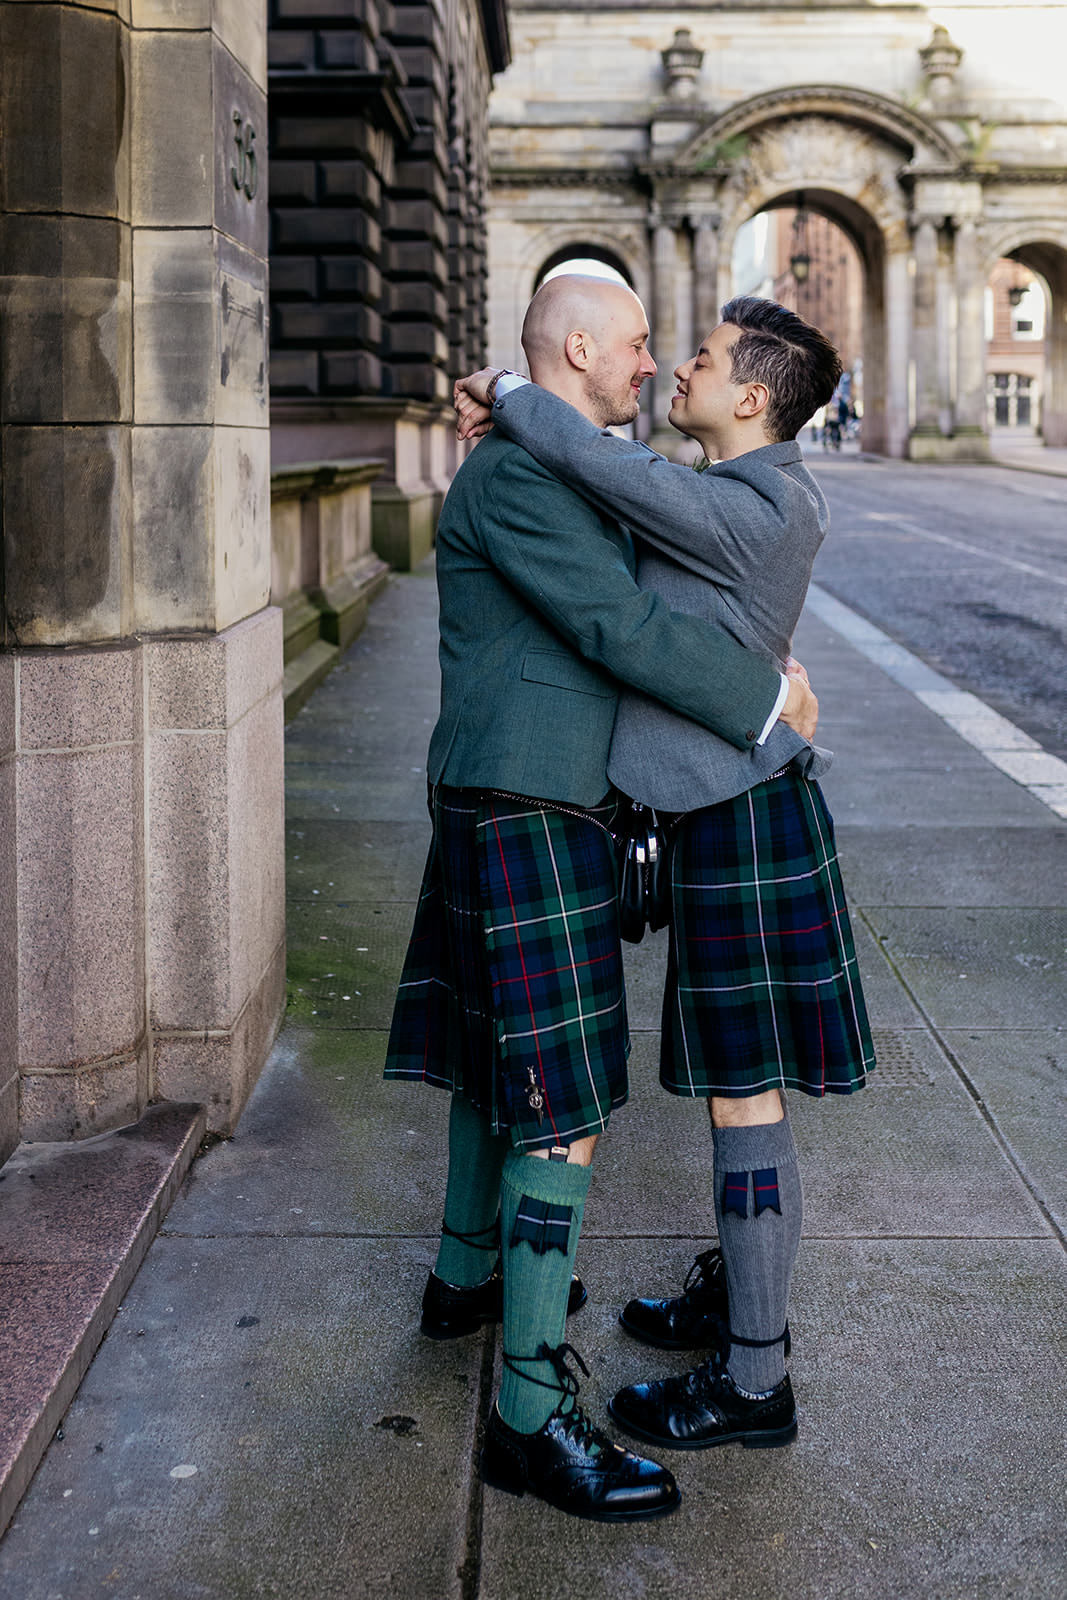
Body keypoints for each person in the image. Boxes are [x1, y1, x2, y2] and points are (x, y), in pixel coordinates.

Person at [383, 277, 818, 1523]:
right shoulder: (521, 479)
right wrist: (761, 700)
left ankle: (468, 1278)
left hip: (519, 788)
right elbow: (618, 621)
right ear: (578, 347)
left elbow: (667, 555)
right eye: (634, 345)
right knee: (557, 1105)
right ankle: (527, 1415)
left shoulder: (538, 458)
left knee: (488, 1063)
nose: (647, 365)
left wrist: (766, 648)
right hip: (528, 797)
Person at [453, 295, 876, 1458]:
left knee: (748, 1096)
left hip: (745, 822)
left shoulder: (752, 504)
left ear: (753, 396)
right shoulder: (737, 495)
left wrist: (507, 391)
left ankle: (753, 1382)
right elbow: (609, 487)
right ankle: (735, 1302)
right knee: (734, 1093)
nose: (671, 368)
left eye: (696, 357)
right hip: (717, 819)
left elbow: (609, 471)